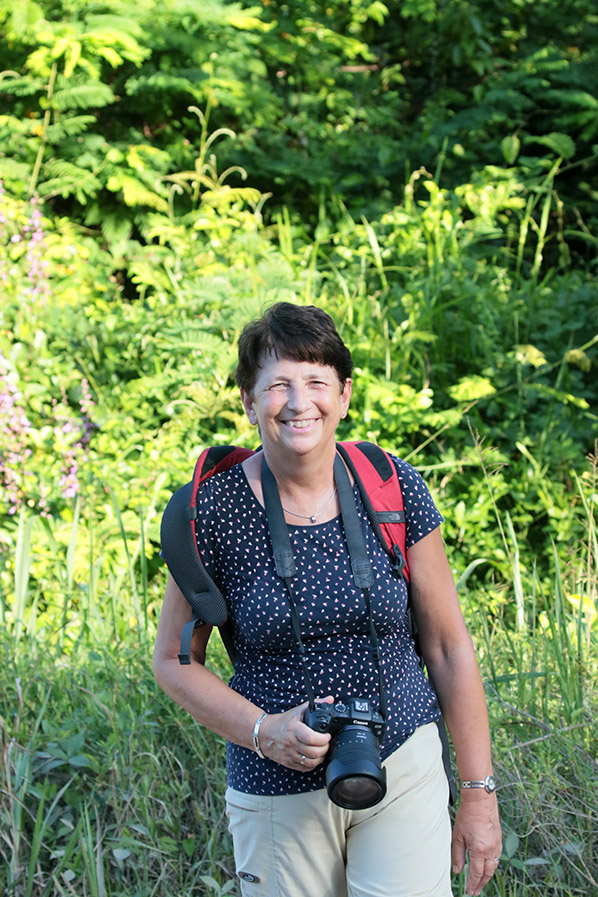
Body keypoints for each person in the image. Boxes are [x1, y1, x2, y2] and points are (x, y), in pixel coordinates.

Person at [153, 302, 502, 897]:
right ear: (247, 400)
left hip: (402, 761)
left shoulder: (390, 484)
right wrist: (265, 731)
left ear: (343, 394)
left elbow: (447, 647)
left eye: (316, 382)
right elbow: (175, 661)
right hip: (274, 789)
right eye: (277, 385)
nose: (298, 402)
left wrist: (478, 794)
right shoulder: (208, 512)